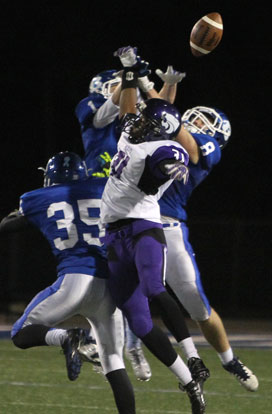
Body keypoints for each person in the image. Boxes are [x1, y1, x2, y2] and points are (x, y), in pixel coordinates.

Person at [100, 46, 207, 414]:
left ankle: (193, 356)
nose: (138, 120)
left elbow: (174, 163)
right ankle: (190, 382)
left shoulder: (165, 150)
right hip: (112, 233)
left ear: (161, 130)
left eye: (147, 121)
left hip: (144, 225)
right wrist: (130, 70)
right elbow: (133, 106)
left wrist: (169, 163)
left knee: (154, 287)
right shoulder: (135, 132)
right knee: (141, 324)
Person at [75, 57, 185, 381]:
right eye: (117, 86)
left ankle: (127, 345)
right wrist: (130, 76)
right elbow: (117, 108)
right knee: (97, 273)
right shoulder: (91, 108)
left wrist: (163, 87)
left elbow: (161, 118)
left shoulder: (135, 129)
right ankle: (98, 339)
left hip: (130, 205)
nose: (126, 91)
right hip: (99, 196)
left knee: (129, 283)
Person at [0, 151, 136, 414]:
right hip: (109, 286)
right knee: (113, 361)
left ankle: (66, 337)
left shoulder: (36, 198)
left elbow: (7, 226)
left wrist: (22, 213)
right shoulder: (103, 187)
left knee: (21, 333)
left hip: (73, 280)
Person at [159, 106, 259, 392]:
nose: (196, 119)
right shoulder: (170, 135)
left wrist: (165, 114)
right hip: (132, 219)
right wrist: (146, 87)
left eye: (205, 120)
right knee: (123, 291)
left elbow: (186, 142)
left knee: (195, 303)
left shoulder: (208, 146)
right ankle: (128, 350)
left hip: (168, 226)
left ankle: (229, 360)